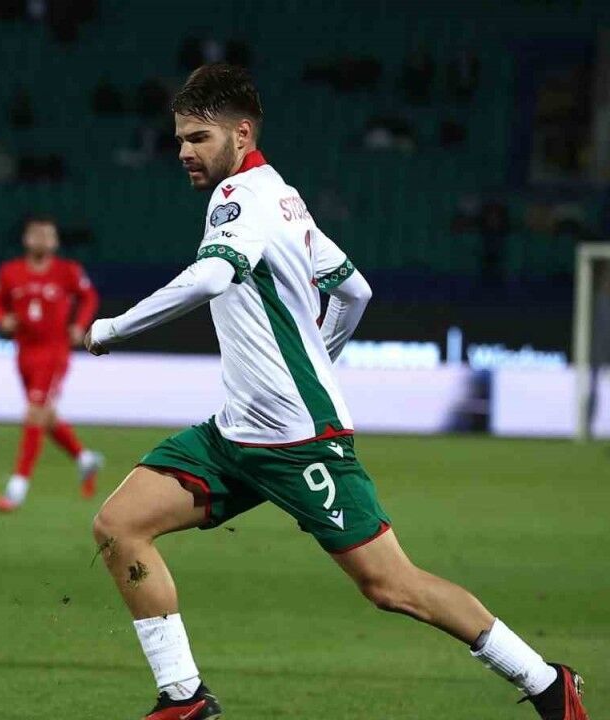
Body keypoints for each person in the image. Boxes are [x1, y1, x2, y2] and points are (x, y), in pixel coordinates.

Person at [84, 64, 587, 720]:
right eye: (180, 137)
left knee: (392, 586)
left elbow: (211, 278)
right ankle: (183, 697)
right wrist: (319, 360)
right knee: (120, 525)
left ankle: (547, 683)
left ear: (241, 134)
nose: (184, 150)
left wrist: (113, 328)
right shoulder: (282, 197)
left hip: (299, 441)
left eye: (199, 137)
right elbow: (354, 289)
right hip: (236, 434)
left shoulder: (241, 198)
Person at [0, 216, 102, 512]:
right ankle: (85, 459)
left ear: (56, 241)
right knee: (45, 415)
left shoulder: (68, 271)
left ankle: (17, 489)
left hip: (54, 353)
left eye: (48, 235)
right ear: (26, 239)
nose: (42, 240)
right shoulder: (10, 271)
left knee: (34, 414)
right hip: (24, 353)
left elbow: (89, 297)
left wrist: (79, 325)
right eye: (36, 234)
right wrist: (2, 319)